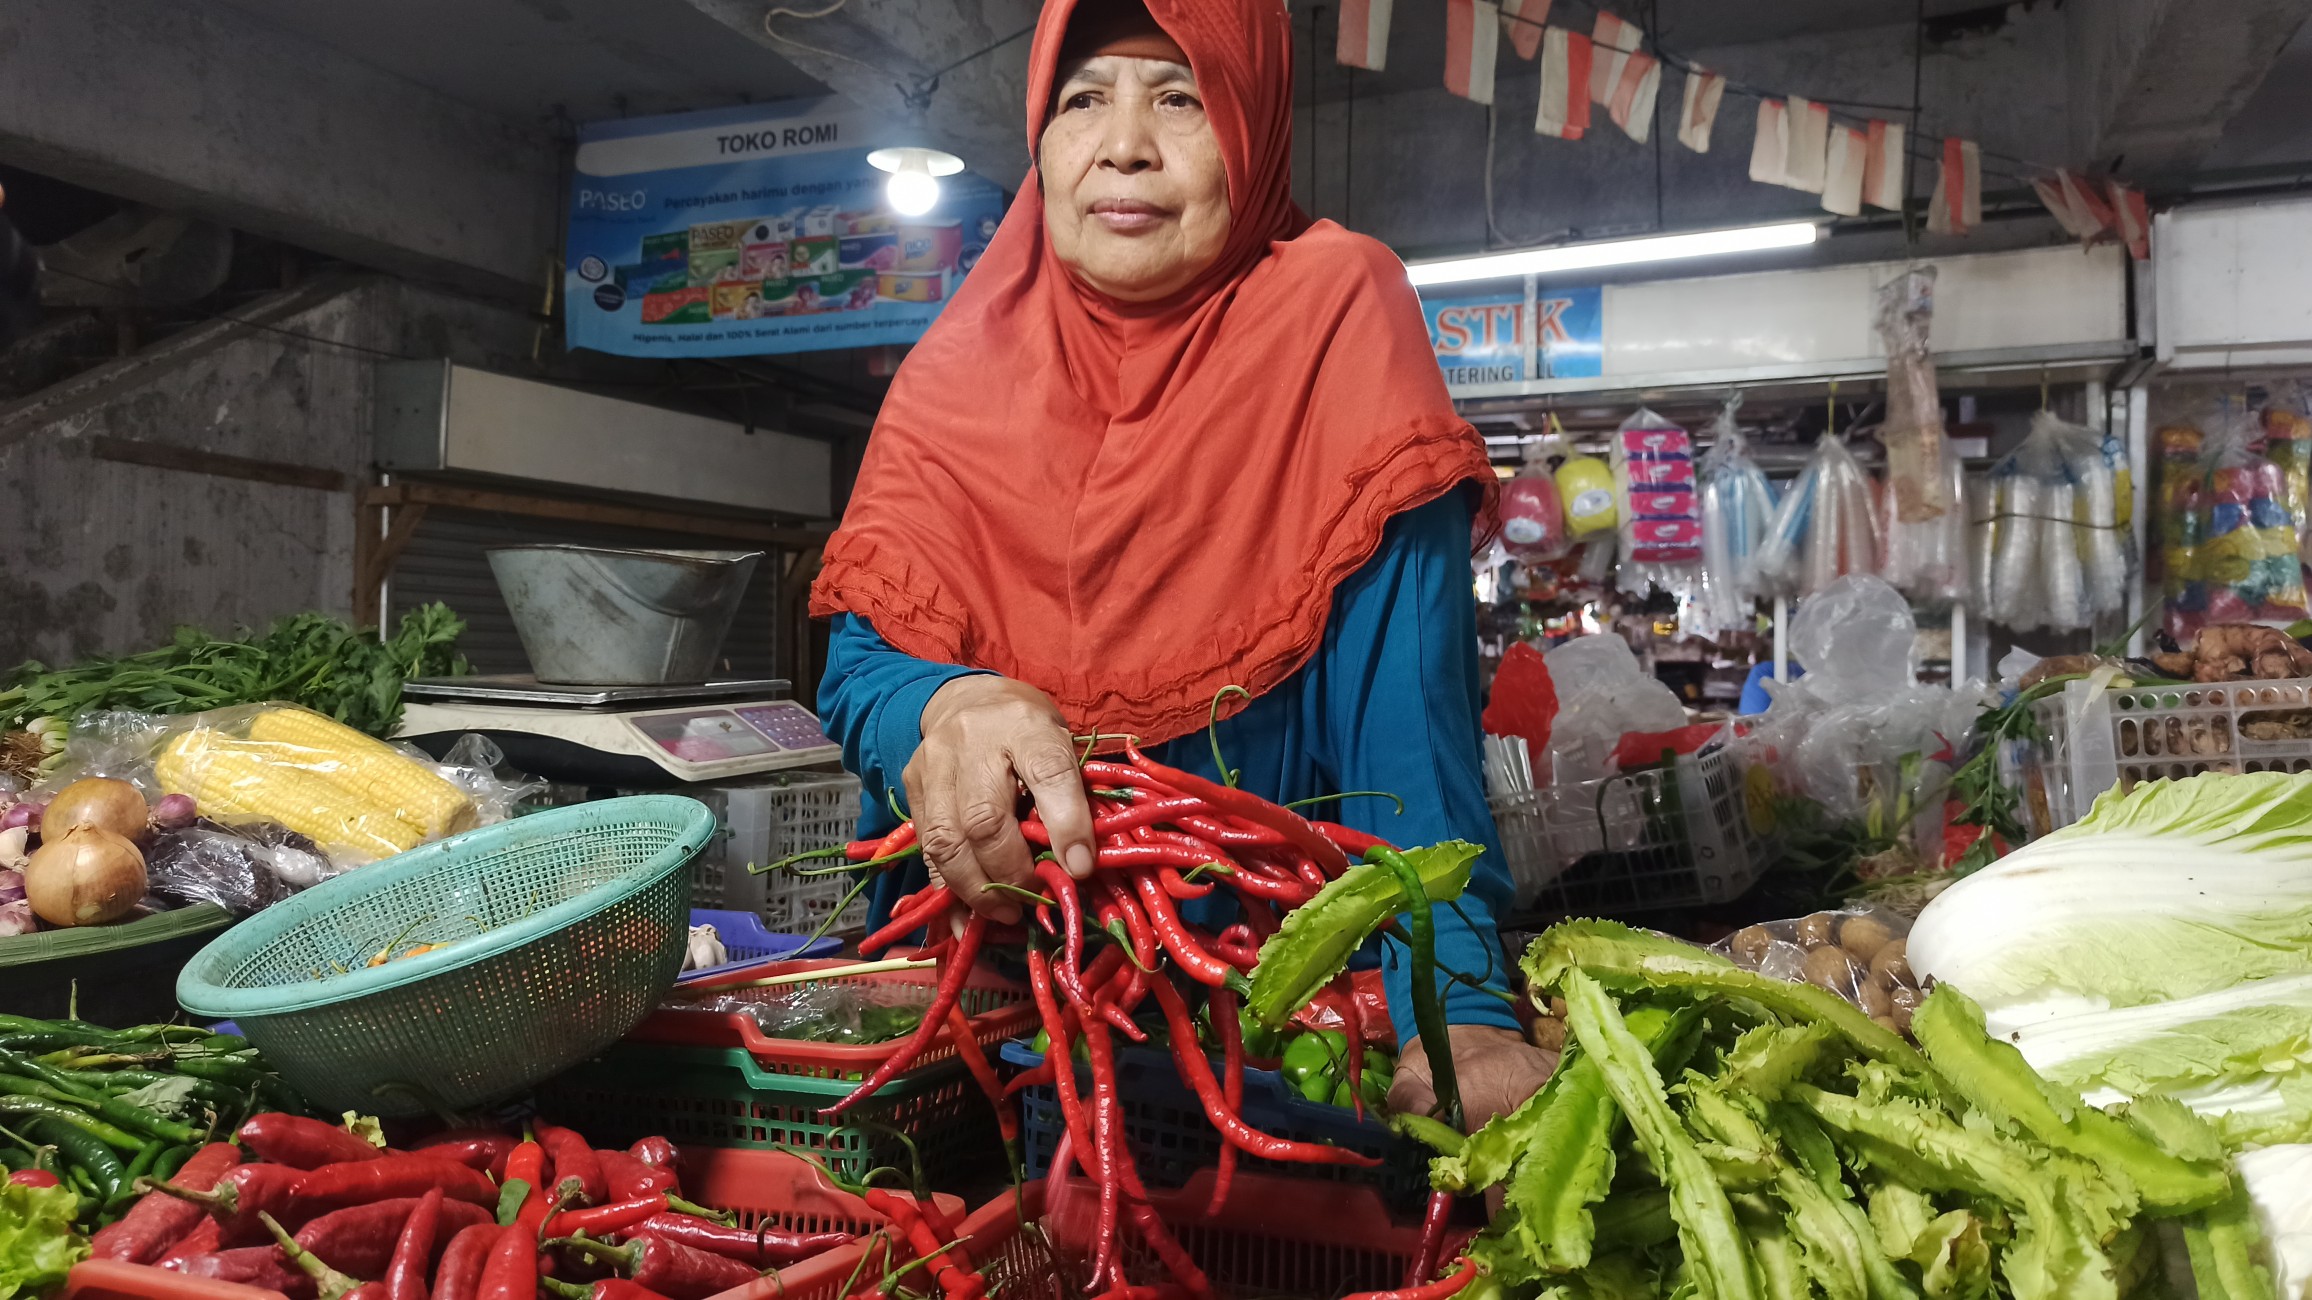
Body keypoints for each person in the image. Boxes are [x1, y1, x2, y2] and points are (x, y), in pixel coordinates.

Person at [810, 0, 1555, 1128]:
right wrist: (947, 700)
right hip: (975, 1016)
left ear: (1251, 127)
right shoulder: (958, 361)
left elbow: (1409, 722)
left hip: (1255, 1026)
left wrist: (1457, 1017)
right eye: (1081, 99)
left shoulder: (1336, 312)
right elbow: (865, 662)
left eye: (1179, 97)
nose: (1122, 144)